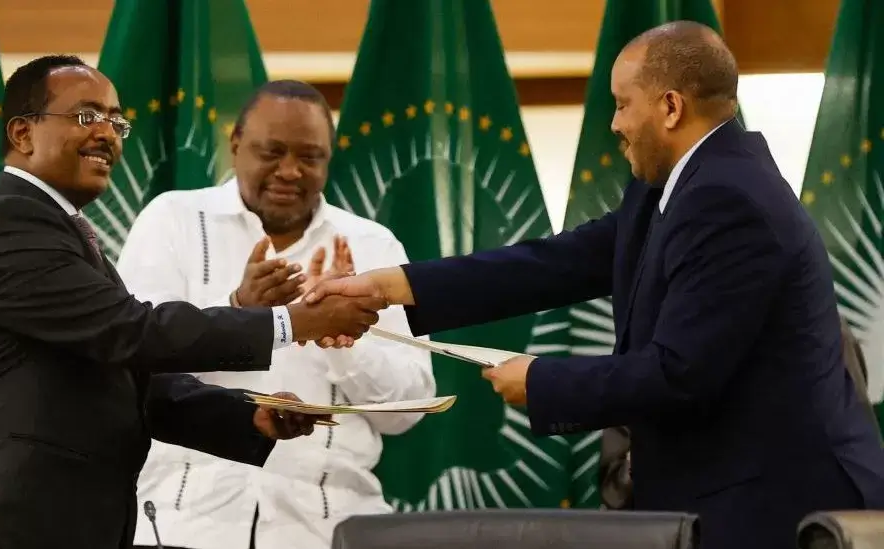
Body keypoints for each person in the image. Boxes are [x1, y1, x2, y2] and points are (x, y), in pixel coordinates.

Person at [304, 21, 884, 549]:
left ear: (671, 107)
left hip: (777, 509)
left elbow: (681, 373)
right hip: (732, 494)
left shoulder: (729, 199)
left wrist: (543, 382)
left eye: (621, 105)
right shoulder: (679, 183)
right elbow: (560, 262)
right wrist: (393, 286)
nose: (614, 124)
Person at [0, 55, 386, 549]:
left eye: (116, 122)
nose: (107, 134)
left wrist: (247, 414)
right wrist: (289, 323)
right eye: (85, 116)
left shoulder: (58, 226)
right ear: (22, 133)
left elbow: (119, 370)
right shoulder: (11, 223)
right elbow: (135, 332)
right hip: (12, 522)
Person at [120, 80, 435, 549]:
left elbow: (408, 410)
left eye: (310, 158)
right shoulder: (173, 220)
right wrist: (237, 314)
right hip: (182, 522)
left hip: (326, 530)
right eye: (272, 152)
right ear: (235, 145)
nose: (290, 171)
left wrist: (343, 342)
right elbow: (129, 367)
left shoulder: (373, 245)